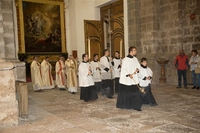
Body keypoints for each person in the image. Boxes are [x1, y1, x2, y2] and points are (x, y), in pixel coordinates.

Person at [116, 46, 142, 111]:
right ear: (131, 51)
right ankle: (125, 105)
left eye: (135, 50)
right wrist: (128, 74)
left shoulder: (135, 59)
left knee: (136, 92)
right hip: (127, 79)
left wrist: (137, 69)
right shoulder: (125, 59)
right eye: (134, 50)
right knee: (126, 92)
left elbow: (138, 66)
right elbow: (123, 69)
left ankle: (136, 106)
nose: (136, 51)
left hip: (134, 78)